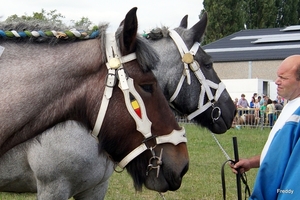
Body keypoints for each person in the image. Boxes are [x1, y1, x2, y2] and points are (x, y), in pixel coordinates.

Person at [230, 55, 300, 200]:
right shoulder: (290, 105)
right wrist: (251, 162)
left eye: (283, 78)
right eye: (277, 76)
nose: (276, 81)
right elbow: (279, 154)